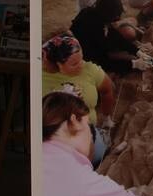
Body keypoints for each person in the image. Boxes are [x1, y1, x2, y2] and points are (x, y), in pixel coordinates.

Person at [40, 34, 116, 166]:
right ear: (58, 64)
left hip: (86, 130)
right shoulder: (39, 75)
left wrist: (106, 118)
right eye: (74, 63)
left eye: (82, 59)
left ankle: (99, 137)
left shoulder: (90, 70)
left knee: (96, 155)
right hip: (53, 135)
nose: (81, 65)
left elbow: (108, 90)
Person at [71, 0, 153, 76]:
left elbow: (116, 36)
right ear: (108, 14)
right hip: (84, 57)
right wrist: (133, 64)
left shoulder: (94, 14)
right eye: (114, 16)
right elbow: (102, 61)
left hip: (93, 50)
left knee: (127, 54)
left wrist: (136, 51)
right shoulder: (91, 28)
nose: (116, 19)